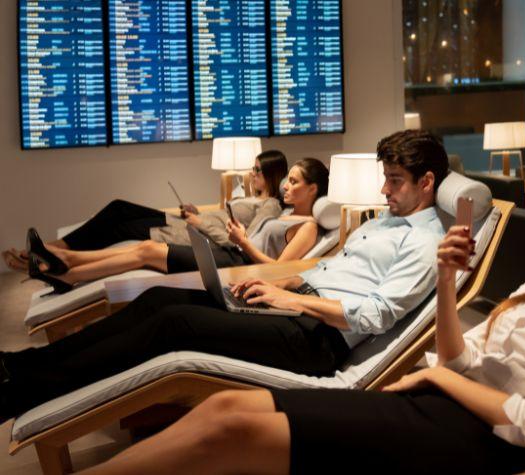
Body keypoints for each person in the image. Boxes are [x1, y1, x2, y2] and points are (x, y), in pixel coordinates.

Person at [76, 161, 525, 475]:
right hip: (434, 402)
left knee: (233, 432)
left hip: (476, 443)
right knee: (225, 405)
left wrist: (437, 377)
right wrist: (446, 281)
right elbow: (459, 357)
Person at [0, 129, 450, 421]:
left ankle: (24, 392)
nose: (384, 190)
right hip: (293, 309)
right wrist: (277, 285)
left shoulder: (426, 241)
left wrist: (293, 301)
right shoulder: (382, 223)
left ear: (426, 181)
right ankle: (24, 364)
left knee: (176, 324)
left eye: (394, 180)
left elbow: (377, 314)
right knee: (159, 299)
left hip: (316, 339)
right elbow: (329, 272)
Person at [22, 157, 330, 294]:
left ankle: (68, 268)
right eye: (287, 179)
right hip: (233, 251)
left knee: (147, 251)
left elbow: (280, 269)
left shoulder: (309, 226)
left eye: (294, 181)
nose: (286, 186)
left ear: (313, 189)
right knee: (145, 248)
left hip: (237, 261)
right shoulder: (282, 213)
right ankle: (67, 266)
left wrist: (244, 242)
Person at [2, 150, 288, 273]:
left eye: (257, 170)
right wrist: (195, 210)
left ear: (273, 175)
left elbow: (241, 240)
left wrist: (200, 221)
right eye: (253, 168)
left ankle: (47, 254)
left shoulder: (270, 205)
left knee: (120, 228)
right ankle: (50, 248)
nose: (252, 174)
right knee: (118, 208)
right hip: (186, 222)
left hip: (190, 235)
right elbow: (221, 215)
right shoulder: (246, 194)